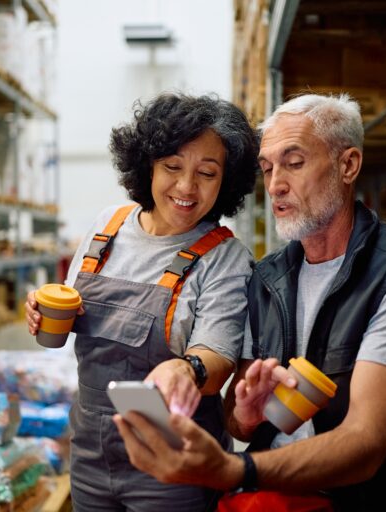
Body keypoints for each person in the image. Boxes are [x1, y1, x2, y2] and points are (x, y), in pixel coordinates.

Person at [114, 93, 386, 511]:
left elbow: (366, 443)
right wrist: (249, 415)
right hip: (283, 499)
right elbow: (240, 422)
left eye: (294, 163)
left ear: (348, 165)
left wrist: (236, 469)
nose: (275, 185)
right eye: (268, 169)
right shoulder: (267, 279)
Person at [25, 92, 259, 511]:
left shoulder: (225, 256)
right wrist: (43, 311)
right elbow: (69, 307)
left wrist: (188, 368)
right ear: (147, 164)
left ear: (227, 181)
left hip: (174, 463)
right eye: (172, 167)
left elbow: (219, 354)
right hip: (90, 455)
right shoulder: (106, 227)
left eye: (207, 173)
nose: (187, 187)